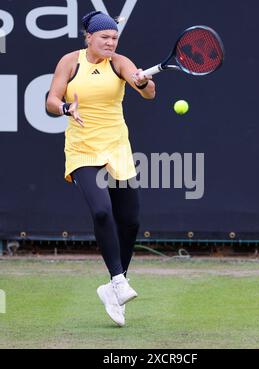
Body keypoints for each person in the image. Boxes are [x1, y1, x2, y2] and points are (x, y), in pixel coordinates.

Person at [46, 11, 156, 327]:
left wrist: (144, 82)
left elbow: (148, 93)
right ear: (89, 38)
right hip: (82, 150)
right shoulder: (70, 62)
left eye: (114, 38)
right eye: (104, 37)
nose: (110, 42)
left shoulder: (119, 62)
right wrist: (66, 107)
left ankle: (112, 289)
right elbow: (51, 101)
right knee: (102, 212)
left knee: (131, 221)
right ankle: (118, 280)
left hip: (117, 147)